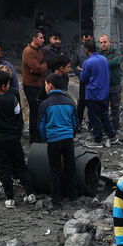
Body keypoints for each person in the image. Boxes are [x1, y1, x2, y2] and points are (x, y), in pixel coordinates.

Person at [0, 70, 36, 208]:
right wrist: (16, 133)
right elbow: (19, 118)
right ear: (5, 86)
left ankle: (10, 198)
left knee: (3, 167)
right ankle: (30, 194)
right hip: (12, 138)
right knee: (20, 164)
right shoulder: (12, 99)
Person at [38, 73, 80, 206]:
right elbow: (75, 124)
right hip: (67, 139)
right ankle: (73, 197)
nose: (44, 87)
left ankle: (56, 200)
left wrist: (46, 138)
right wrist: (70, 135)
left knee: (54, 170)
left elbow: (41, 126)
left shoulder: (45, 104)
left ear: (50, 86)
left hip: (53, 141)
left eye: (45, 84)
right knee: (70, 168)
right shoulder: (69, 102)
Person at [80, 39, 115, 148]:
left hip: (93, 94)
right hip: (104, 93)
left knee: (94, 117)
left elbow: (83, 78)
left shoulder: (88, 62)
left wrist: (81, 71)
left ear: (86, 49)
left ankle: (98, 140)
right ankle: (112, 136)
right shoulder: (104, 59)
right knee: (104, 115)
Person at [22, 29, 48, 143]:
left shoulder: (38, 51)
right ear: (34, 38)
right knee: (35, 111)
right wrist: (44, 66)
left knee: (39, 111)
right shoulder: (28, 51)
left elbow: (39, 67)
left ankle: (38, 136)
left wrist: (41, 67)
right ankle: (34, 138)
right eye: (41, 38)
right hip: (30, 85)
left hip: (38, 84)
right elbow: (37, 68)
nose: (43, 40)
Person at [99, 34, 122, 132]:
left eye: (105, 42)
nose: (103, 44)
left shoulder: (116, 52)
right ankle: (105, 126)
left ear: (109, 42)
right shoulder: (99, 54)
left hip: (115, 85)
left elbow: (116, 61)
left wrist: (102, 64)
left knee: (115, 107)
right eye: (101, 43)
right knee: (103, 107)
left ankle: (115, 127)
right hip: (103, 86)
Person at [73, 31, 93, 127]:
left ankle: (92, 125)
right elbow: (74, 64)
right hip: (83, 81)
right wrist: (81, 73)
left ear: (92, 38)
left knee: (92, 104)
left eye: (88, 40)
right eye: (85, 40)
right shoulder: (78, 51)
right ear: (82, 40)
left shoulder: (96, 50)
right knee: (81, 103)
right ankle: (78, 124)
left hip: (93, 81)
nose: (87, 42)